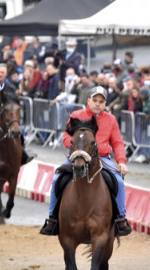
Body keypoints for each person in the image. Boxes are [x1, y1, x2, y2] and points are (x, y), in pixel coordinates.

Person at [39, 86, 133, 236]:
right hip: (77, 156)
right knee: (57, 179)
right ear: (88, 100)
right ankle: (52, 220)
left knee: (119, 182)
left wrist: (121, 161)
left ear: (105, 103)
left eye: (101, 101)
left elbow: (117, 143)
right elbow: (66, 137)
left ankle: (121, 219)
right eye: (94, 100)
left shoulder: (111, 119)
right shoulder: (77, 116)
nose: (97, 104)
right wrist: (77, 148)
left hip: (102, 158)